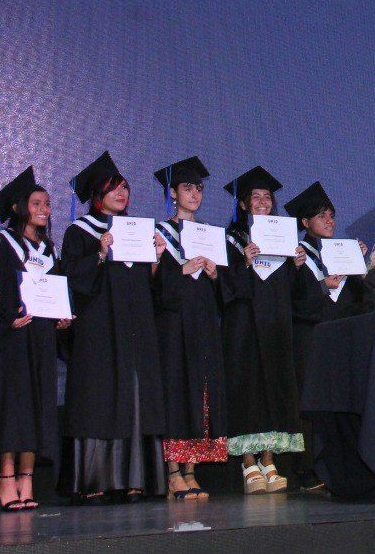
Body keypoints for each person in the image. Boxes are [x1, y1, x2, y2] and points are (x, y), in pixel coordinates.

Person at [59, 151, 167, 504]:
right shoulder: (80, 232)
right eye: (113, 188)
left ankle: (135, 478)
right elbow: (72, 279)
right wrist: (100, 253)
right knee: (100, 398)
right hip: (99, 331)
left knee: (135, 396)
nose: (122, 193)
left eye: (125, 187)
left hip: (136, 330)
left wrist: (156, 260)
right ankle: (94, 479)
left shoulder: (137, 231)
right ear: (97, 194)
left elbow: (149, 288)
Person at [221, 166, 308, 495]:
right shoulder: (232, 239)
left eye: (267, 197)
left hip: (276, 324)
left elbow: (292, 291)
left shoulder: (283, 238)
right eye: (255, 197)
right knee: (247, 388)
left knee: (275, 385)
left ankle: (269, 460)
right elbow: (225, 288)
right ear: (243, 204)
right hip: (243, 325)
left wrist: (296, 268)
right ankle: (247, 462)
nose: (262, 202)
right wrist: (243, 263)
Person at [0, 167, 70, 511]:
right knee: (14, 407)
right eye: (36, 203)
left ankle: (28, 478)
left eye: (47, 204)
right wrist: (5, 315)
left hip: (41, 338)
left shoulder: (49, 248)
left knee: (38, 406)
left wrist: (63, 315)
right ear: (17, 207)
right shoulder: (1, 243)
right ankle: (6, 477)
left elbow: (57, 289)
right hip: (15, 336)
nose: (44, 209)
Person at [152, 157, 228, 500]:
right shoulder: (160, 234)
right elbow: (152, 289)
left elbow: (225, 290)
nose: (194, 194)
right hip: (173, 326)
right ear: (173, 193)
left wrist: (215, 274)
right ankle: (172, 473)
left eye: (198, 188)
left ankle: (191, 470)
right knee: (176, 392)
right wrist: (177, 270)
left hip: (204, 323)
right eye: (187, 188)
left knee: (202, 393)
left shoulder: (209, 235)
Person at [286, 181, 365, 492]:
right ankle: (307, 467)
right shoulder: (297, 256)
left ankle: (341, 464)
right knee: (310, 402)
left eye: (331, 215)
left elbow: (358, 299)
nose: (330, 221)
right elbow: (293, 300)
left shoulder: (342, 251)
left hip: (340, 335)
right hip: (310, 336)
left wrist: (359, 265)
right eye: (321, 216)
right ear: (305, 222)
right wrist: (322, 286)